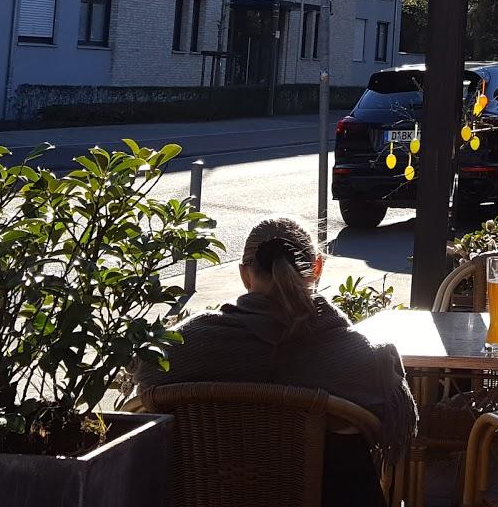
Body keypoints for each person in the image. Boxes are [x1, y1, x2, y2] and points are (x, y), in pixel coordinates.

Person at [133, 217, 416, 507]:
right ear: (316, 268)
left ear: (245, 274)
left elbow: (144, 384)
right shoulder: (359, 357)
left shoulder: (187, 345)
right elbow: (392, 416)